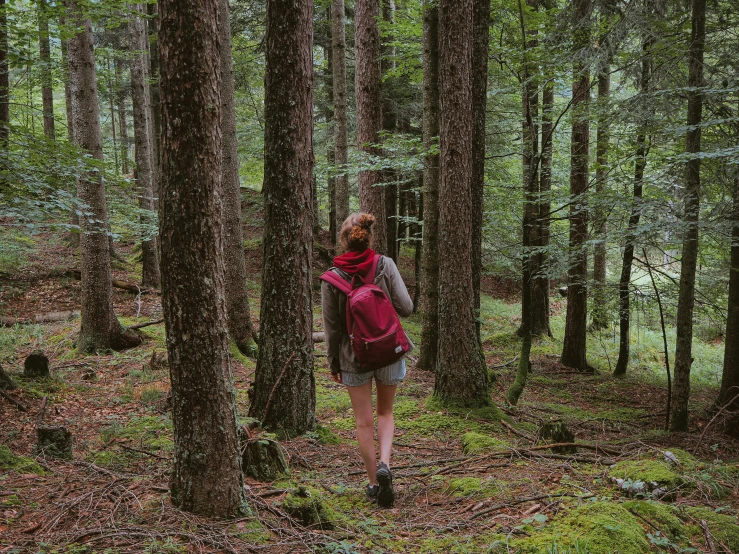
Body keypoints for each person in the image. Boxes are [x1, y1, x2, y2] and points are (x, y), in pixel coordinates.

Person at [321, 213, 413, 508]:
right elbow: (407, 308)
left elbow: (332, 328)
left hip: (352, 357)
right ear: (369, 237)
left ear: (343, 241)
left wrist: (334, 363)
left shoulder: (332, 277)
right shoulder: (385, 265)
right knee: (385, 413)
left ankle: (373, 483)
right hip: (387, 351)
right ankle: (386, 463)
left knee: (363, 422)